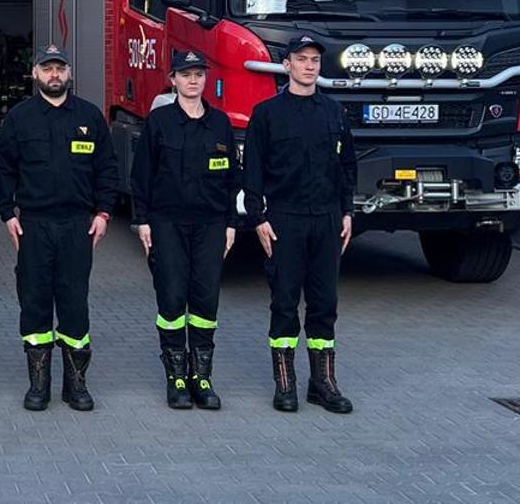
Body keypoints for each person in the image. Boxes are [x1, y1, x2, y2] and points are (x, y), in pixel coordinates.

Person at [0, 44, 118, 412]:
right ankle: (38, 385)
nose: (54, 75)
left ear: (69, 74)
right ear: (35, 74)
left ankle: (76, 385)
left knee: (74, 302)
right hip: (33, 225)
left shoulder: (90, 117)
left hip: (78, 225)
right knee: (34, 302)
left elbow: (107, 169)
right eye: (47, 69)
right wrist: (6, 214)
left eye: (60, 68)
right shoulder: (20, 117)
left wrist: (104, 213)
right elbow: (3, 169)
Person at [243, 34, 357, 414]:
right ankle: (285, 384)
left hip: (326, 219)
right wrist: (258, 218)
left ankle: (322, 383)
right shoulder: (267, 114)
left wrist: (347, 212)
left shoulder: (334, 113)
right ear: (287, 65)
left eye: (314, 60)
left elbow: (347, 168)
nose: (309, 66)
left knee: (325, 304)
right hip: (284, 220)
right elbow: (253, 171)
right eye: (302, 59)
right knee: (285, 303)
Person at [131, 50, 240, 410]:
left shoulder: (220, 123)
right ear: (173, 80)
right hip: (167, 223)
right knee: (173, 297)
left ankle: (201, 376)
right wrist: (142, 220)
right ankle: (176, 376)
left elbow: (230, 179)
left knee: (206, 299)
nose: (193, 81)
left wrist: (230, 223)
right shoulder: (159, 121)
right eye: (185, 75)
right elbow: (142, 174)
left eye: (198, 75)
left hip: (210, 224)